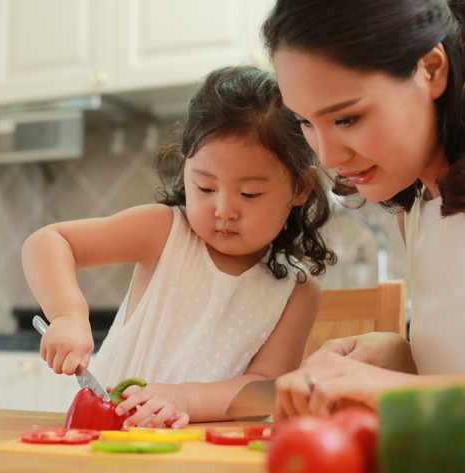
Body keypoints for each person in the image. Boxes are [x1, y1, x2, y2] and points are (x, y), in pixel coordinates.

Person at [261, 0, 465, 436]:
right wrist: (400, 360)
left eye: (347, 117)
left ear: (431, 69)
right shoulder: (419, 209)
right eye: (305, 124)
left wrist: (393, 391)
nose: (327, 155)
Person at [22, 65, 336, 428]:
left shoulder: (297, 291)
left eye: (250, 193)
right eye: (205, 187)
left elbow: (265, 390)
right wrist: (68, 315)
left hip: (201, 454)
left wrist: (184, 398)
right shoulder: (164, 230)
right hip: (102, 436)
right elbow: (49, 242)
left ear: (299, 188)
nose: (223, 210)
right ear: (185, 167)